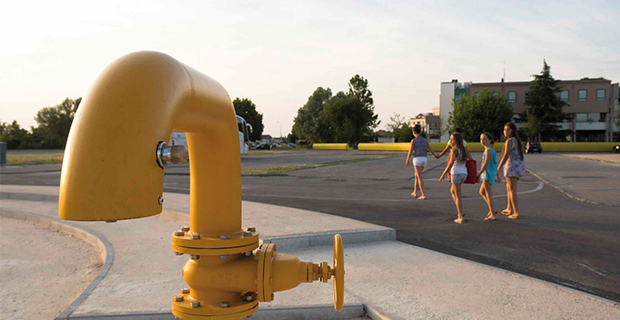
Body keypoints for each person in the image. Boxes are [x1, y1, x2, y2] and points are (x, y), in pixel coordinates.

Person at [496, 122, 525, 219]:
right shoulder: (516, 140)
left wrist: (499, 168)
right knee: (509, 188)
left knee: (512, 190)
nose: (505, 131)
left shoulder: (509, 141)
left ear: (512, 130)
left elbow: (506, 155)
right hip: (518, 166)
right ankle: (509, 208)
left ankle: (516, 212)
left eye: (507, 129)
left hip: (512, 166)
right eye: (504, 129)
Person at [439, 132, 468, 224]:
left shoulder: (454, 150)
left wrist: (443, 173)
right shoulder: (463, 150)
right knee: (453, 191)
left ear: (456, 141)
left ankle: (460, 216)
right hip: (463, 173)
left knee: (458, 195)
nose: (450, 141)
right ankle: (460, 211)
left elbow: (451, 163)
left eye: (452, 140)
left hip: (456, 173)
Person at [406, 124, 438, 200]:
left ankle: (423, 194)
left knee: (419, 176)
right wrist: (434, 155)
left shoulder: (413, 140)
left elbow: (410, 151)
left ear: (414, 132)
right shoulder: (424, 140)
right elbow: (430, 148)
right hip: (424, 159)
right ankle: (415, 192)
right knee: (417, 175)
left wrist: (407, 160)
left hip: (417, 159)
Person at [477, 132, 498, 221]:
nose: (482, 141)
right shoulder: (489, 150)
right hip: (487, 173)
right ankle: (492, 209)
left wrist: (478, 173)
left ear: (490, 140)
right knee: (481, 192)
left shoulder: (488, 150)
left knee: (488, 194)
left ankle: (492, 214)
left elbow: (486, 164)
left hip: (487, 173)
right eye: (481, 139)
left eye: (484, 139)